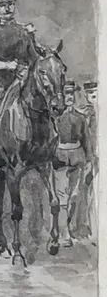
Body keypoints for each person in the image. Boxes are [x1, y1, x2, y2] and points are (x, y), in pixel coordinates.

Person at [52, 80, 93, 249]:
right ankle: (63, 234)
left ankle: (66, 227)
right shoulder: (55, 118)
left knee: (74, 196)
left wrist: (89, 160)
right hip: (60, 158)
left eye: (71, 94)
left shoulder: (80, 118)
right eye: (66, 94)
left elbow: (86, 140)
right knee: (62, 198)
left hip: (77, 158)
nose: (69, 97)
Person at [71, 80, 97, 239]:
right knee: (83, 191)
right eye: (89, 94)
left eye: (94, 94)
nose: (92, 97)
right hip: (89, 157)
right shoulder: (82, 114)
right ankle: (82, 226)